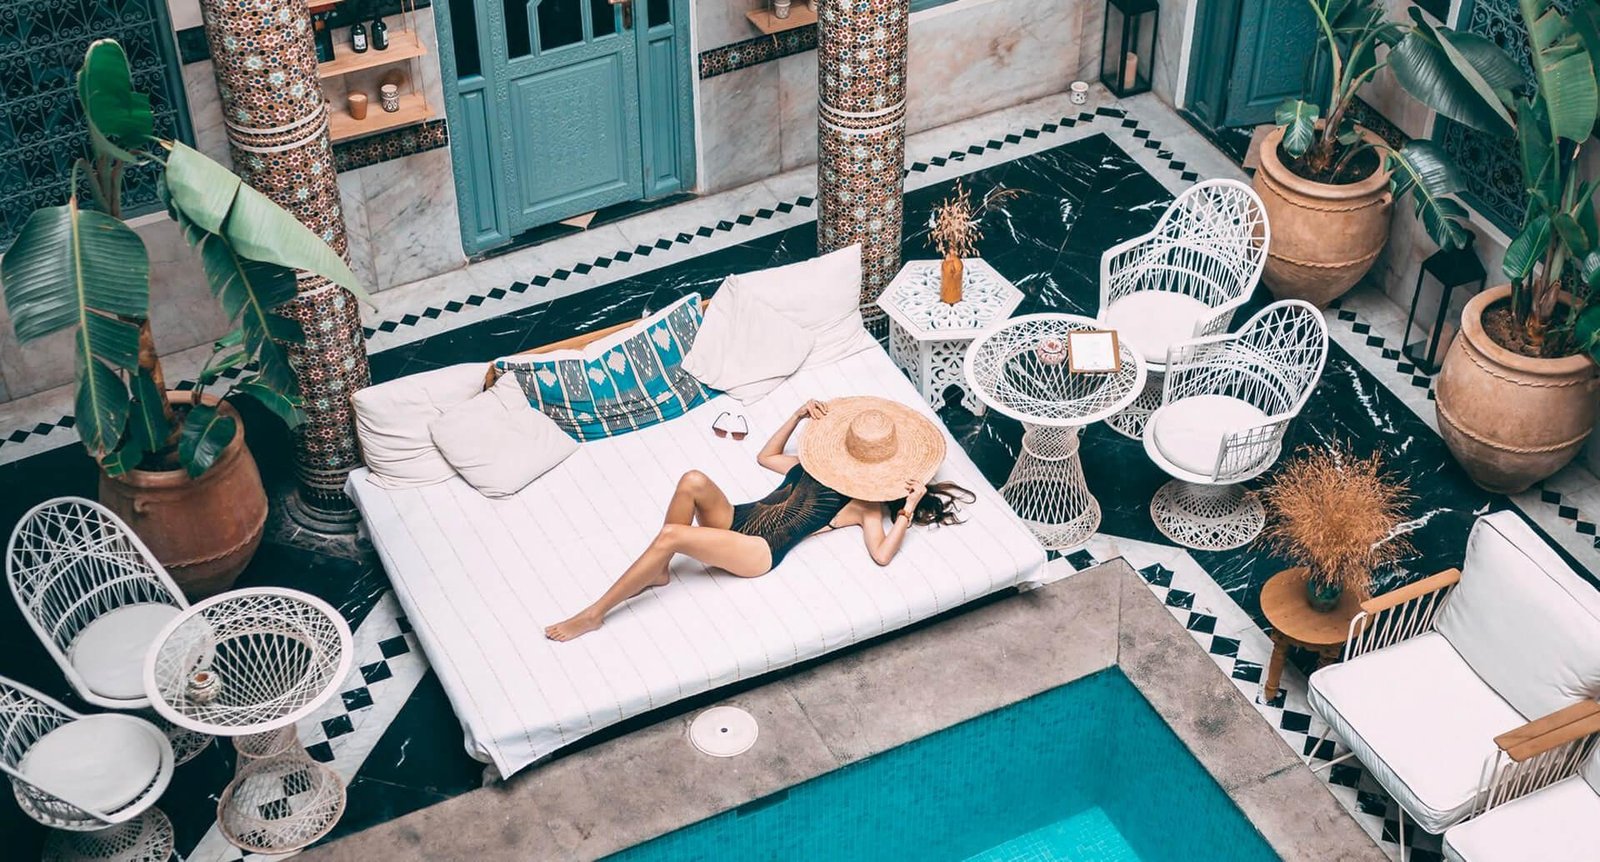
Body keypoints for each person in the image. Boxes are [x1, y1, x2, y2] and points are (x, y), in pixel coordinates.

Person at [544, 396, 974, 641]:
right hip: (738, 518)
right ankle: (658, 573)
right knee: (692, 479)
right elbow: (765, 456)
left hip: (759, 551)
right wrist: (798, 415)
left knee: (672, 536)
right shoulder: (815, 466)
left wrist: (908, 508)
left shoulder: (866, 506)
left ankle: (596, 612)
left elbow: (881, 555)